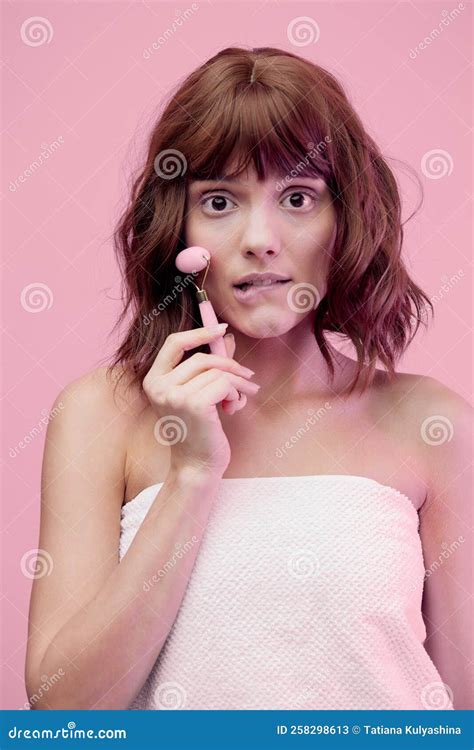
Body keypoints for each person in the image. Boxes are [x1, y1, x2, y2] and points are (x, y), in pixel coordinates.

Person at [25, 46, 472, 710]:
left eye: (297, 197)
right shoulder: (99, 415)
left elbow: (464, 709)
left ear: (344, 220)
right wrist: (192, 475)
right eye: (220, 200)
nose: (260, 238)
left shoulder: (432, 424)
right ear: (178, 225)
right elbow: (63, 711)